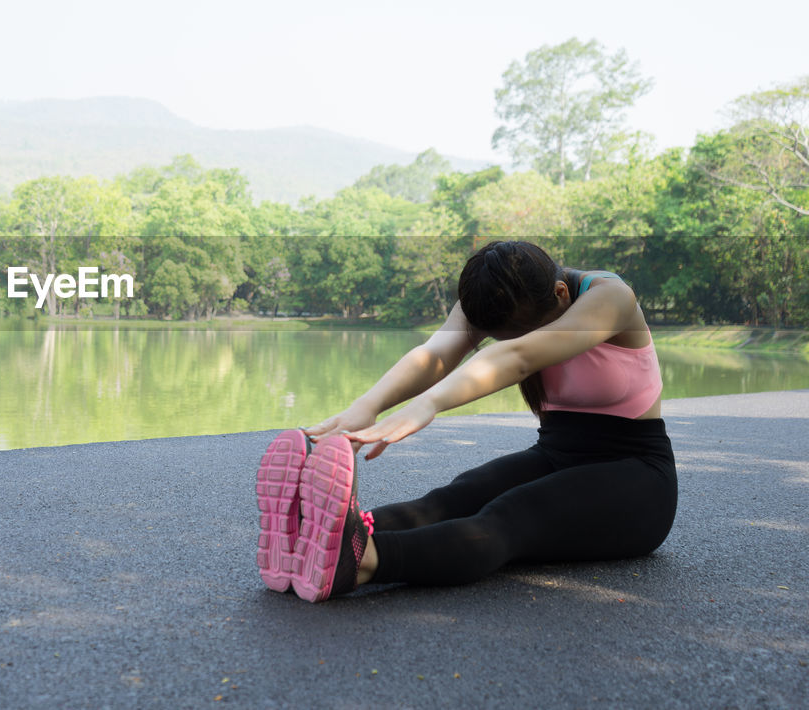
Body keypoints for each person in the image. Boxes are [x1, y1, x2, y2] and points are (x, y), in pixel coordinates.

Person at [256, 240, 676, 603]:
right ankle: (317, 536)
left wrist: (429, 403)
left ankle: (362, 562)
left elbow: (518, 357)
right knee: (450, 498)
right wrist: (368, 405)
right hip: (556, 454)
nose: (508, 339)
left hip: (636, 477)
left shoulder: (612, 297)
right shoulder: (495, 293)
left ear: (562, 293)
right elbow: (435, 354)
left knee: (512, 515)